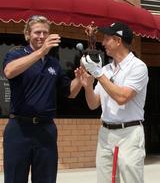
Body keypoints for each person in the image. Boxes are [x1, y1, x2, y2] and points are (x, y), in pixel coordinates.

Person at [3, 15, 82, 183]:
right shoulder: (16, 54)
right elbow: (9, 72)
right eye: (37, 32)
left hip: (46, 130)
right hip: (19, 129)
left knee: (46, 179)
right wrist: (40, 52)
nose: (41, 36)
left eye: (45, 33)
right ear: (27, 35)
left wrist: (81, 79)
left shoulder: (53, 63)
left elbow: (70, 92)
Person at [81, 22, 149, 183]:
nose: (102, 43)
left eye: (106, 38)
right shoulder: (106, 69)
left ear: (118, 41)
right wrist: (88, 85)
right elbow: (93, 104)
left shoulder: (138, 67)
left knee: (131, 180)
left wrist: (98, 74)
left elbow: (122, 98)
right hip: (105, 133)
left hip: (130, 133)